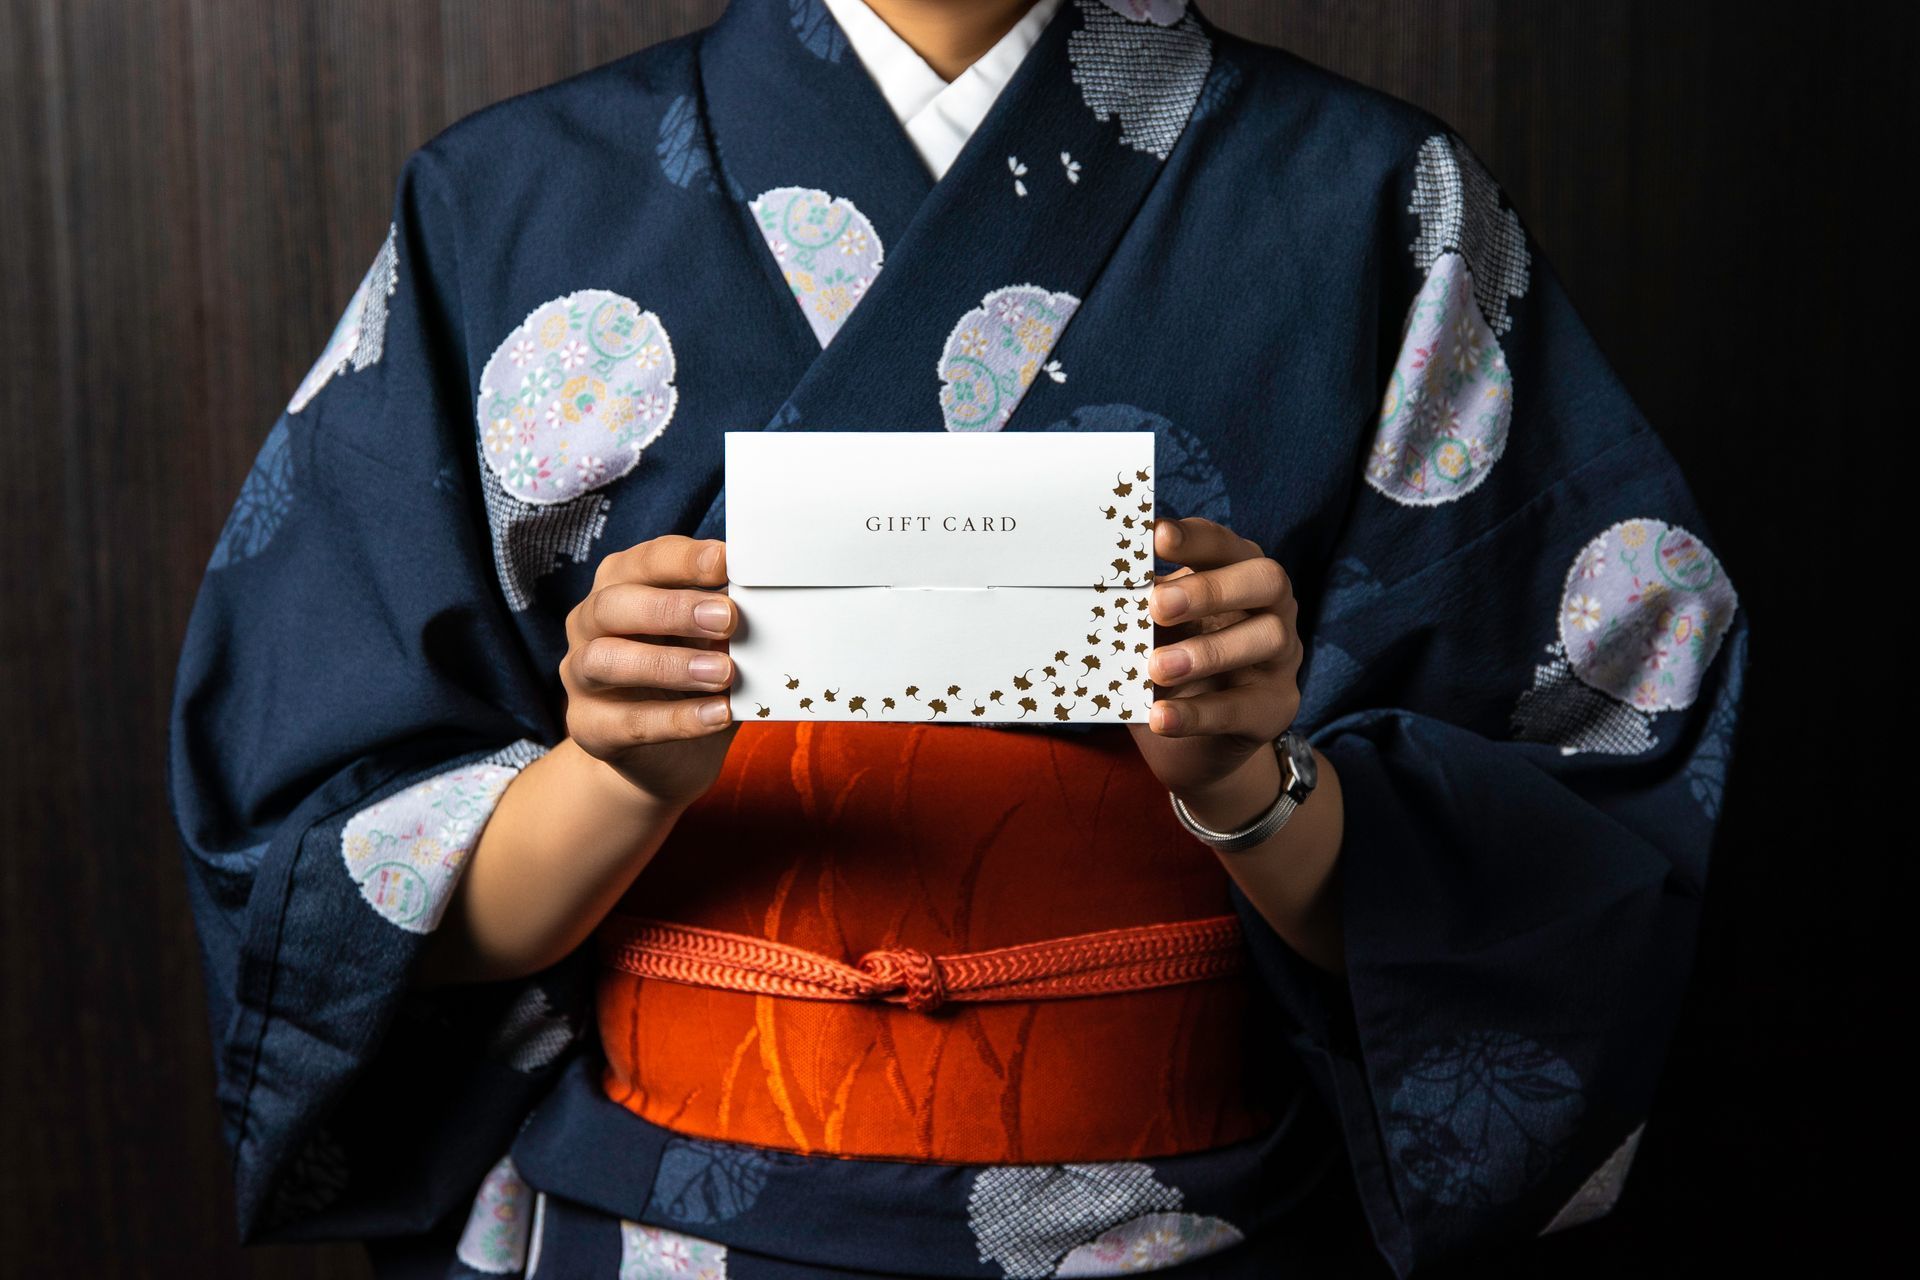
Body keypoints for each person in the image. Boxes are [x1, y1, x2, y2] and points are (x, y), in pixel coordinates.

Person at [168, 1, 1749, 1275]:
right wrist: (611, 778)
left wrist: (1246, 782)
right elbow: (319, 861)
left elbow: (1590, 819)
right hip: (658, 1224)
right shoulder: (505, 203)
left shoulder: (1375, 207)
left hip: (1189, 1222)